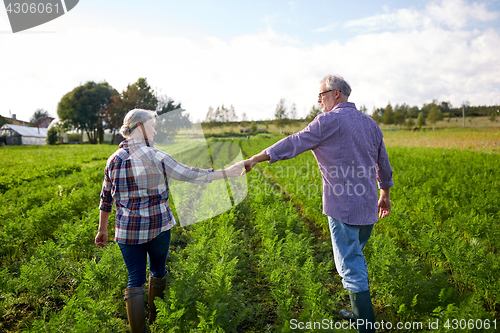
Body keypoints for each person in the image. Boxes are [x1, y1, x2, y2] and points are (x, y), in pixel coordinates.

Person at [242, 74, 393, 333]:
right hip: (368, 206)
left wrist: (256, 158)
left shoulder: (328, 121)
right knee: (355, 258)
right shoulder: (370, 123)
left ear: (336, 94)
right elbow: (383, 162)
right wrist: (385, 194)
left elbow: (294, 142)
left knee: (351, 267)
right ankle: (359, 314)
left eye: (321, 96)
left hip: (342, 208)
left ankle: (366, 326)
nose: (319, 102)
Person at [95, 109, 243, 333]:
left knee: (134, 278)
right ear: (141, 128)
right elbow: (192, 175)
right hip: (158, 228)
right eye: (152, 126)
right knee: (157, 270)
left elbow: (106, 198)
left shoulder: (112, 160)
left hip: (127, 232)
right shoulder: (157, 156)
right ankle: (158, 321)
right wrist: (227, 172)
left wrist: (102, 229)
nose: (155, 130)